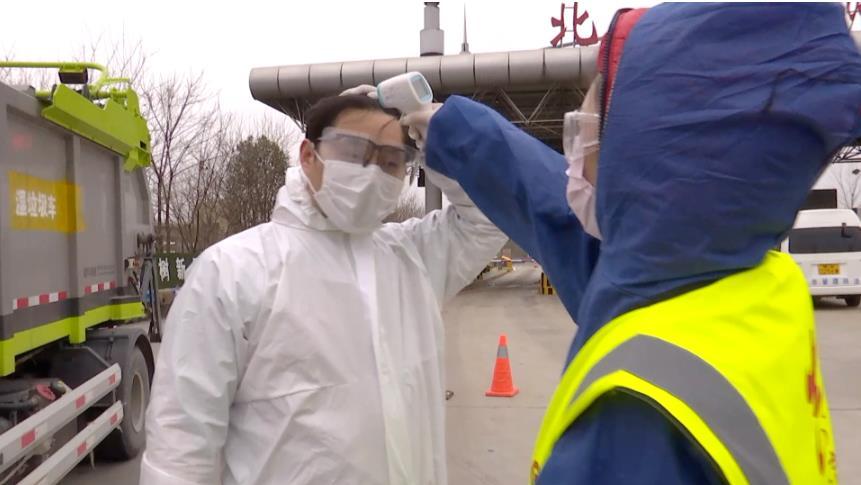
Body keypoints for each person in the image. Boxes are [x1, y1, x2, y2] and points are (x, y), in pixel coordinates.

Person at [399, 3, 861, 484]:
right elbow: (554, 213)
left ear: (644, 150)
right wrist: (452, 129)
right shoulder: (755, 284)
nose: (572, 152)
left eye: (586, 127)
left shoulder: (630, 420)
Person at [139, 94, 507, 485]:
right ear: (308, 155)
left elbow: (492, 218)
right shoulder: (232, 270)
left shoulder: (412, 256)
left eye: (391, 162)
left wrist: (445, 140)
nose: (372, 171)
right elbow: (181, 446)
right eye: (353, 152)